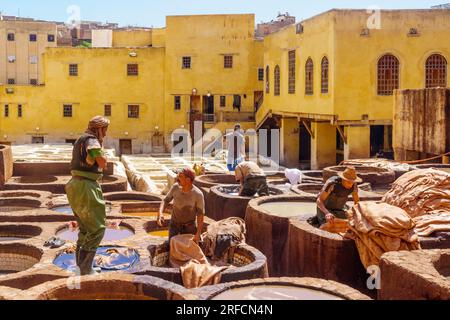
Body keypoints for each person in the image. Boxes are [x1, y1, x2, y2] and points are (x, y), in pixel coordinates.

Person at [65, 116, 110, 275]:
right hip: (86, 186)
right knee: (97, 229)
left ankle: (80, 267)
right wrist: (103, 158)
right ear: (99, 129)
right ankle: (86, 268)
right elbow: (100, 160)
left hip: (75, 185)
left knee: (85, 229)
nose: (105, 134)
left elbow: (89, 159)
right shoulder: (91, 139)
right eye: (104, 130)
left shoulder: (80, 139)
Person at [157, 167, 205, 243]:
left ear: (188, 180)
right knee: (172, 247)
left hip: (189, 228)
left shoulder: (198, 195)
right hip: (174, 226)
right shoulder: (175, 187)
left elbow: (200, 215)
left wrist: (198, 233)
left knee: (188, 250)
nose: (177, 178)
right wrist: (160, 213)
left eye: (180, 176)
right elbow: (165, 200)